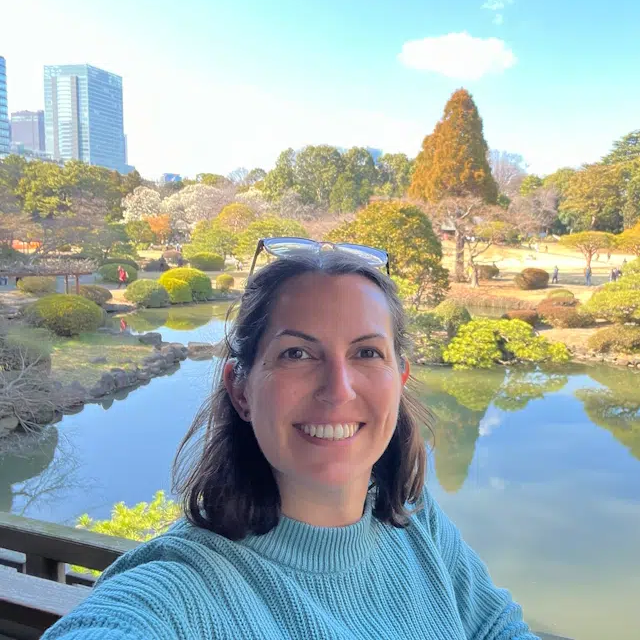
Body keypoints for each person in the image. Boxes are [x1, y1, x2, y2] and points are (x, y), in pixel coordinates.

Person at [43, 243, 538, 640]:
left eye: (367, 352)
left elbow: (498, 628)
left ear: (400, 378)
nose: (338, 390)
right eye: (297, 353)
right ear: (240, 388)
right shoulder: (183, 592)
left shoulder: (414, 520)